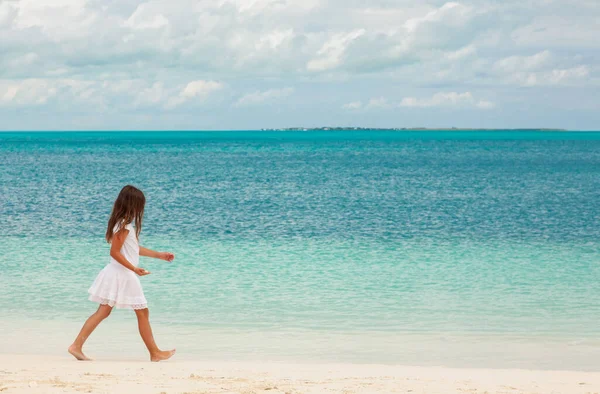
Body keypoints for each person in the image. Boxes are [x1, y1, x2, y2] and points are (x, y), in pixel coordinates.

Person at [68, 185, 176, 362]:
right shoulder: (124, 225)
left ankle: (76, 346)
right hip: (123, 275)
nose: (141, 209)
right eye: (140, 205)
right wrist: (134, 269)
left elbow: (132, 249)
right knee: (142, 312)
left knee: (103, 312)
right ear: (132, 205)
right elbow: (115, 252)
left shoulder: (122, 224)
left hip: (117, 273)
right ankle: (155, 353)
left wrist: (159, 255)